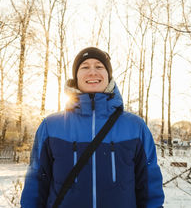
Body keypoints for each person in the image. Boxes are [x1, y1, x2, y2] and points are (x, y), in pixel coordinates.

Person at [20, 47, 164, 208]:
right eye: (85, 67)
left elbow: (150, 183)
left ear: (108, 75)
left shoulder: (135, 127)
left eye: (99, 66)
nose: (92, 72)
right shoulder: (51, 126)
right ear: (76, 76)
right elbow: (36, 180)